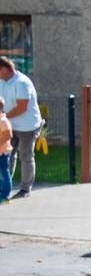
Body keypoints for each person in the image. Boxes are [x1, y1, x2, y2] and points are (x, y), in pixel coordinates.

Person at [0, 56, 40, 198]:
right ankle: (6, 187)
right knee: (7, 155)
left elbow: (22, 107)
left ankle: (25, 189)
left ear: (4, 70)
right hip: (10, 125)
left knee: (26, 156)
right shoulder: (2, 81)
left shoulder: (22, 83)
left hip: (27, 126)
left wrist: (3, 116)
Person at [0, 108, 11, 204]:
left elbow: (8, 135)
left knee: (4, 173)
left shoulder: (3, 121)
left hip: (3, 152)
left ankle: (5, 195)